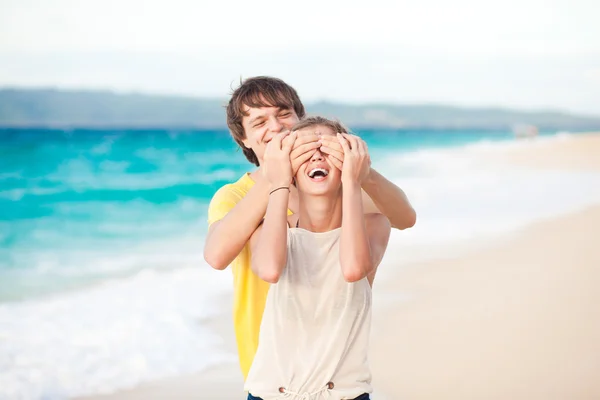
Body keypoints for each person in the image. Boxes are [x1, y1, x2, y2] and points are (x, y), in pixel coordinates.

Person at [205, 76, 416, 381]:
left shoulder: (336, 189)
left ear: (301, 121)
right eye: (260, 122)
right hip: (269, 375)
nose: (275, 127)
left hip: (334, 370)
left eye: (283, 114)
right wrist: (274, 175)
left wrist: (362, 171)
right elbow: (216, 256)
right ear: (244, 140)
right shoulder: (235, 196)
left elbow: (404, 218)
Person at [244, 116, 391, 400]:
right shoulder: (270, 228)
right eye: (304, 153)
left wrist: (353, 180)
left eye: (328, 152)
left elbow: (352, 268)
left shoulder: (374, 225)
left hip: (345, 394)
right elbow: (270, 269)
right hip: (270, 393)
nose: (316, 158)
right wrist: (278, 181)